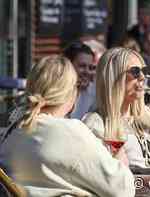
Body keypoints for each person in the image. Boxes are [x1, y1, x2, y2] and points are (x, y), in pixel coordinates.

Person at [0, 55, 135, 197]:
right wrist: (120, 159)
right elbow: (123, 190)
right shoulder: (69, 133)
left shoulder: (15, 125)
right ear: (71, 93)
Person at [83, 47, 150, 169]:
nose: (142, 77)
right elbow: (112, 177)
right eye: (135, 71)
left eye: (142, 71)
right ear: (113, 78)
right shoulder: (96, 123)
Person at [63, 41, 96, 119]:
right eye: (82, 66)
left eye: (90, 67)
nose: (87, 72)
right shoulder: (52, 91)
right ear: (68, 65)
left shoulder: (96, 94)